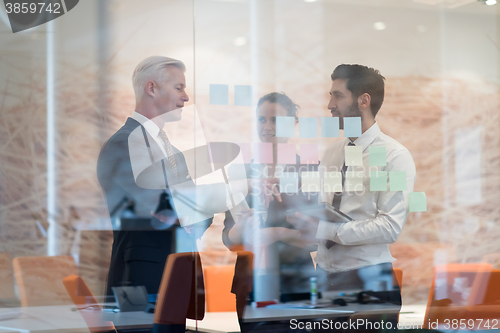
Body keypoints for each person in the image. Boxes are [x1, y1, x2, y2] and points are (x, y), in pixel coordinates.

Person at [288, 64, 416, 330]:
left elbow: (390, 227)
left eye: (337, 95)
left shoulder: (394, 156)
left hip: (369, 284)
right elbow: (327, 208)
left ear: (363, 100)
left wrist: (324, 229)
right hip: (324, 280)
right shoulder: (333, 153)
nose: (329, 104)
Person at [97, 56, 212, 298]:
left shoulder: (174, 153)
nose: (186, 96)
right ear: (152, 88)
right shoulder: (123, 143)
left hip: (175, 277)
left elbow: (200, 212)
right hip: (141, 283)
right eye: (178, 87)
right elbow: (161, 209)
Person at [223, 92, 325, 330]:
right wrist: (244, 227)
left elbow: (318, 236)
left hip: (295, 282)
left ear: (293, 124)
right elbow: (229, 239)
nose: (266, 127)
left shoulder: (309, 171)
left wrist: (276, 233)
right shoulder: (242, 173)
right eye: (261, 120)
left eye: (275, 120)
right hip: (250, 284)